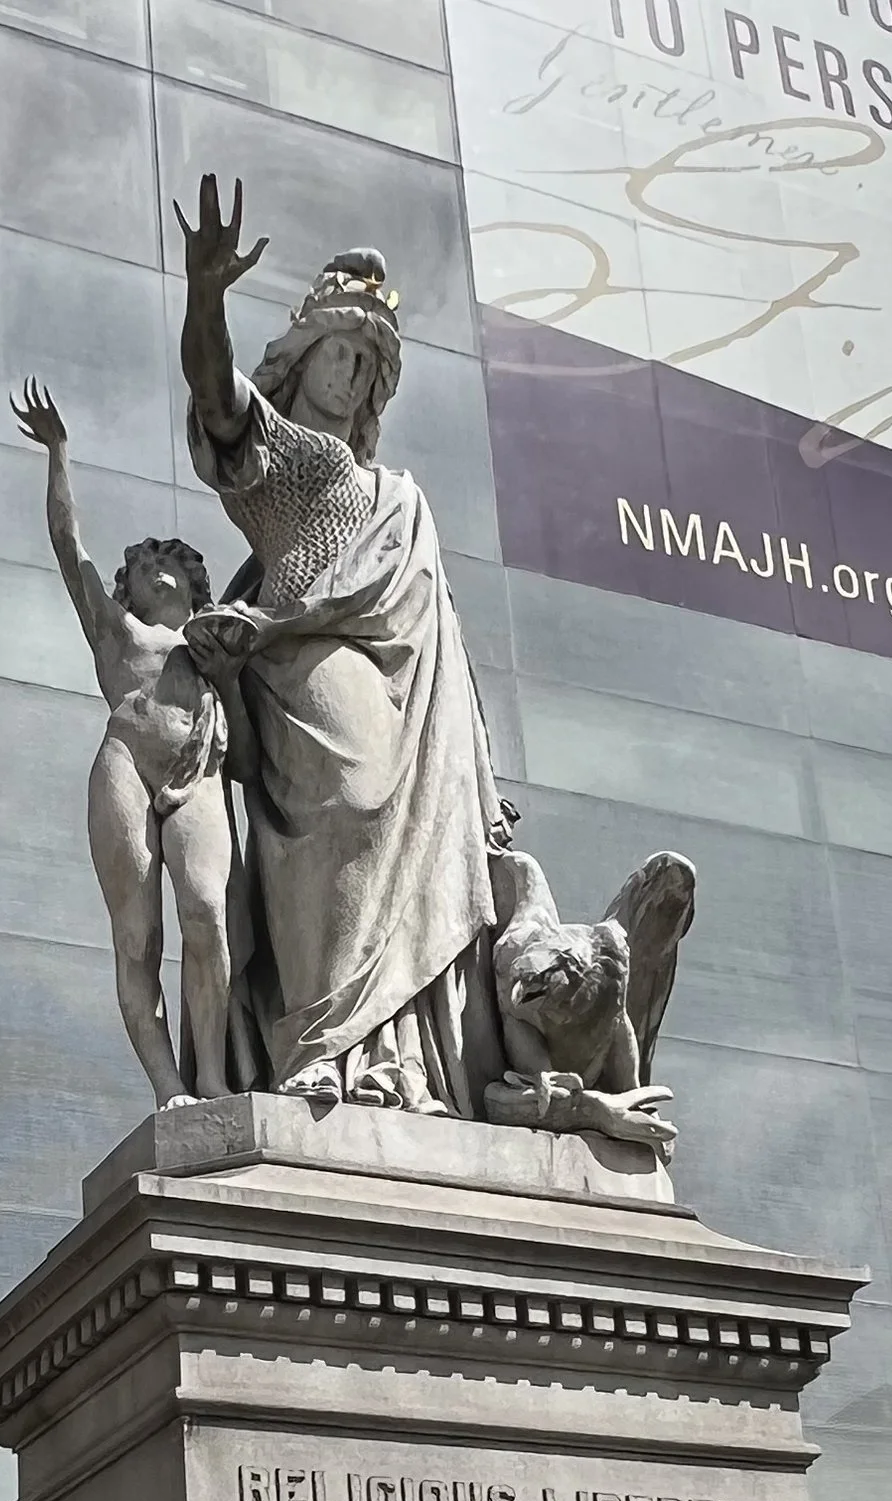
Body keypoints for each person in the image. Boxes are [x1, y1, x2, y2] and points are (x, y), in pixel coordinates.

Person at [176, 181, 508, 1114]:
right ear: (303, 354)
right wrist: (206, 294)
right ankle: (318, 1043)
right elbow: (216, 397)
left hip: (411, 690)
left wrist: (479, 761)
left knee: (408, 834)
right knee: (351, 808)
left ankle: (393, 1063)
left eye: (370, 364)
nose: (353, 375)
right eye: (341, 351)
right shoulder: (286, 459)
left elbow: (439, 628)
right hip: (301, 666)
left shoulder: (396, 494)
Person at [10, 376, 236, 1107]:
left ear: (192, 584)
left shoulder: (216, 640)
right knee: (138, 940)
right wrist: (59, 453)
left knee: (206, 915)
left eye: (166, 562)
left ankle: (215, 1077)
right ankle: (171, 1087)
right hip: (126, 767)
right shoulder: (117, 629)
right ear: (129, 587)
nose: (154, 569)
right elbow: (66, 542)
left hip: (198, 773)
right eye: (140, 566)